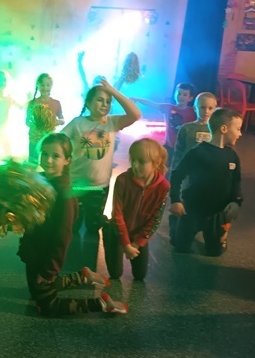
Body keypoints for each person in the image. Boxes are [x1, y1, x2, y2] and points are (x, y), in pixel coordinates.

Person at [18, 133, 127, 315]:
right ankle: (81, 276)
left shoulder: (64, 194)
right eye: (45, 154)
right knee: (35, 292)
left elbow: (63, 236)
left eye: (56, 156)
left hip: (46, 254)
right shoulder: (39, 180)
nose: (48, 160)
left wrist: (50, 270)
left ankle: (101, 303)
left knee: (46, 307)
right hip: (34, 250)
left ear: (67, 160)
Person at [63, 79, 141, 233]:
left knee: (93, 227)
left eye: (108, 101)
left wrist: (113, 91)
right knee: (73, 226)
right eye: (100, 100)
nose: (105, 104)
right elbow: (60, 141)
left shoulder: (112, 122)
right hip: (77, 185)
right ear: (88, 103)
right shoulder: (77, 123)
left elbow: (135, 114)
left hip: (100, 186)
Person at [170, 108, 243, 257]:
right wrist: (176, 200)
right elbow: (177, 175)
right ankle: (176, 223)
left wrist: (236, 202)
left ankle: (221, 235)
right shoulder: (197, 152)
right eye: (238, 129)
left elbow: (236, 181)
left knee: (215, 252)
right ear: (224, 129)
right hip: (193, 209)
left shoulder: (232, 156)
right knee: (180, 247)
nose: (240, 134)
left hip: (217, 212)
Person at [104, 138, 170, 281]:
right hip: (117, 231)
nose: (135, 165)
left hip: (139, 233)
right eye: (133, 160)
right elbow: (117, 214)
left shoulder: (163, 186)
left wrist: (137, 243)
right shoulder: (123, 180)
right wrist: (125, 243)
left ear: (156, 163)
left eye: (141, 162)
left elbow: (155, 219)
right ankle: (107, 234)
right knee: (115, 274)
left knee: (140, 275)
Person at [169, 92, 217, 243]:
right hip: (189, 175)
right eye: (202, 107)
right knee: (185, 203)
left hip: (208, 176)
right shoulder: (186, 129)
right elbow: (178, 153)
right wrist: (175, 174)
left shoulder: (217, 130)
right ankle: (177, 226)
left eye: (210, 108)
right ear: (195, 108)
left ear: (215, 109)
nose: (206, 111)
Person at [132, 82, 196, 168]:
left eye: (185, 95)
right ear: (175, 95)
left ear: (190, 98)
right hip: (168, 147)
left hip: (183, 149)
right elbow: (153, 104)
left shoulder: (193, 112)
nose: (181, 97)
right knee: (163, 168)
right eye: (179, 93)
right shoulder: (168, 108)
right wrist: (137, 99)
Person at [26, 73, 64, 163]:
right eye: (42, 85)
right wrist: (37, 124)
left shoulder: (56, 103)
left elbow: (62, 120)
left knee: (48, 162)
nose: (45, 87)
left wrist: (55, 122)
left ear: (51, 86)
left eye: (48, 85)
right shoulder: (32, 103)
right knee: (33, 163)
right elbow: (27, 121)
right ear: (37, 85)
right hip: (35, 139)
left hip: (49, 139)